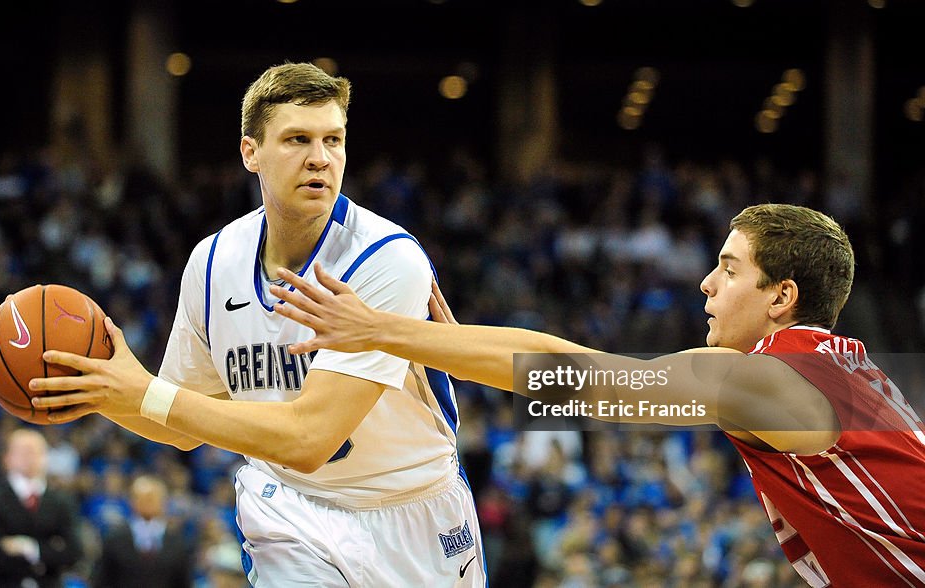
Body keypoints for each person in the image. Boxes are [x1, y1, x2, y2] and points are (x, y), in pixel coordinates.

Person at [269, 203, 925, 586]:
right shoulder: (845, 374)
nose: (705, 283)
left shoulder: (777, 381)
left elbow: (579, 377)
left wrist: (381, 329)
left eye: (729, 269)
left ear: (783, 297)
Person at [29, 62, 486, 587]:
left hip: (411, 513)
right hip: (287, 508)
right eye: (297, 139)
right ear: (251, 153)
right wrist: (98, 391)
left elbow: (309, 439)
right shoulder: (213, 263)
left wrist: (142, 393)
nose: (320, 158)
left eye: (333, 139)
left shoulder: (386, 259)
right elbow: (176, 424)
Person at [0, 427, 84, 588]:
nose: (30, 457)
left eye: (36, 451)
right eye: (23, 451)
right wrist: (50, 550)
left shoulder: (62, 500)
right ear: (7, 458)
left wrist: (30, 548)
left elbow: (74, 552)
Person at [93, 475, 194, 588]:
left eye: (151, 498)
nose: (147, 503)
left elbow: (184, 582)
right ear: (132, 501)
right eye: (141, 498)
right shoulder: (114, 539)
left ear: (163, 502)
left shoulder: (177, 543)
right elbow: (102, 580)